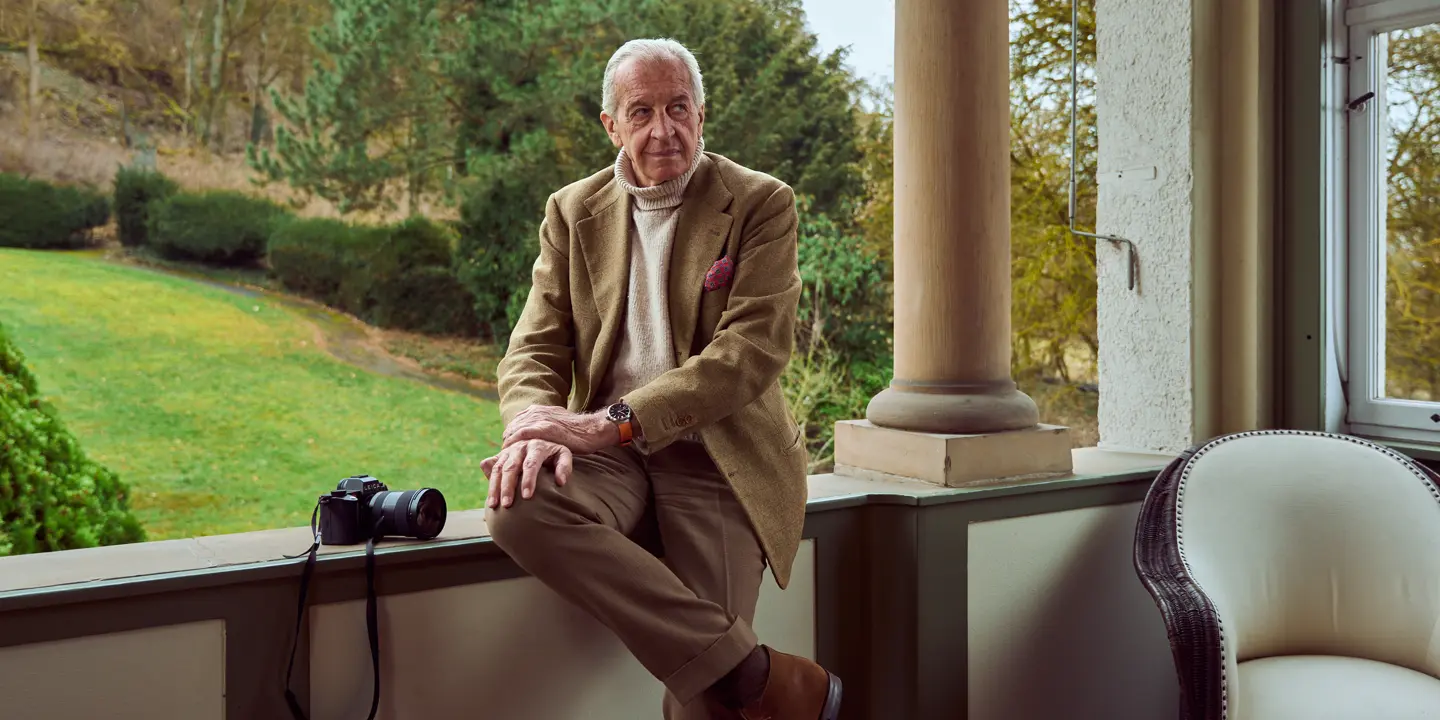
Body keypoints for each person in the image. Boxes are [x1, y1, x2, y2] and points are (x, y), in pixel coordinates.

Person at [480, 37, 842, 720]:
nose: (663, 129)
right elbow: (533, 348)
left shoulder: (762, 203)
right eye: (641, 112)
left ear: (702, 115)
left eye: (678, 107)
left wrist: (601, 424)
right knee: (518, 509)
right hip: (610, 459)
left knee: (704, 701)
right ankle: (761, 674)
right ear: (611, 126)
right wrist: (531, 428)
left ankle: (734, 680)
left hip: (716, 455)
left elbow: (750, 353)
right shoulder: (572, 210)